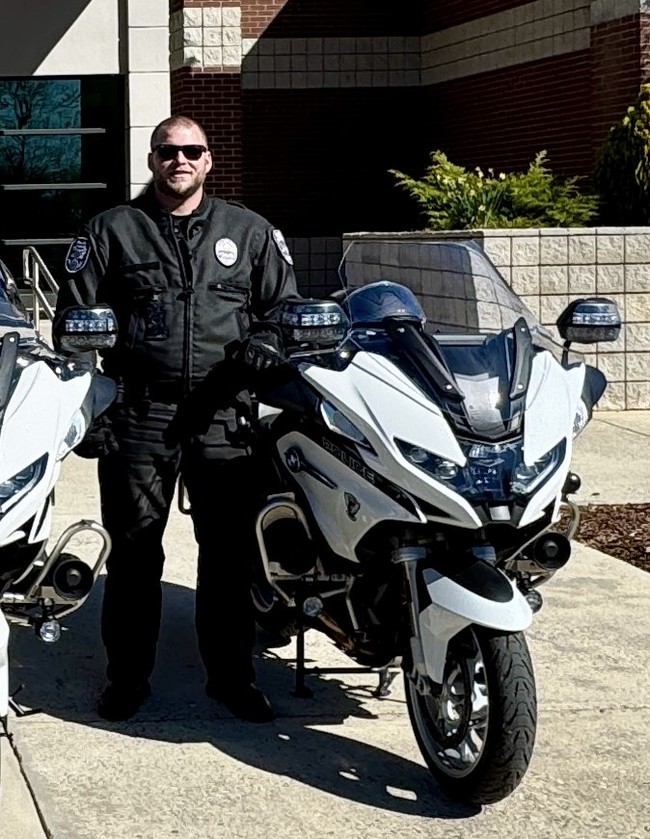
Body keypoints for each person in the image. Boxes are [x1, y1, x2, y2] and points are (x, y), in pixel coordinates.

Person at [53, 115, 299, 723]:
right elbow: (73, 327)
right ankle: (127, 679)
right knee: (135, 553)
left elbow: (284, 310)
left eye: (192, 150)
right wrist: (89, 410)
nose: (179, 160)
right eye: (168, 151)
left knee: (228, 554)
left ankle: (232, 678)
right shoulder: (112, 230)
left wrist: (267, 343)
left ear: (209, 160)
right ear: (152, 159)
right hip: (140, 414)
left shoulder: (249, 231)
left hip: (225, 415)